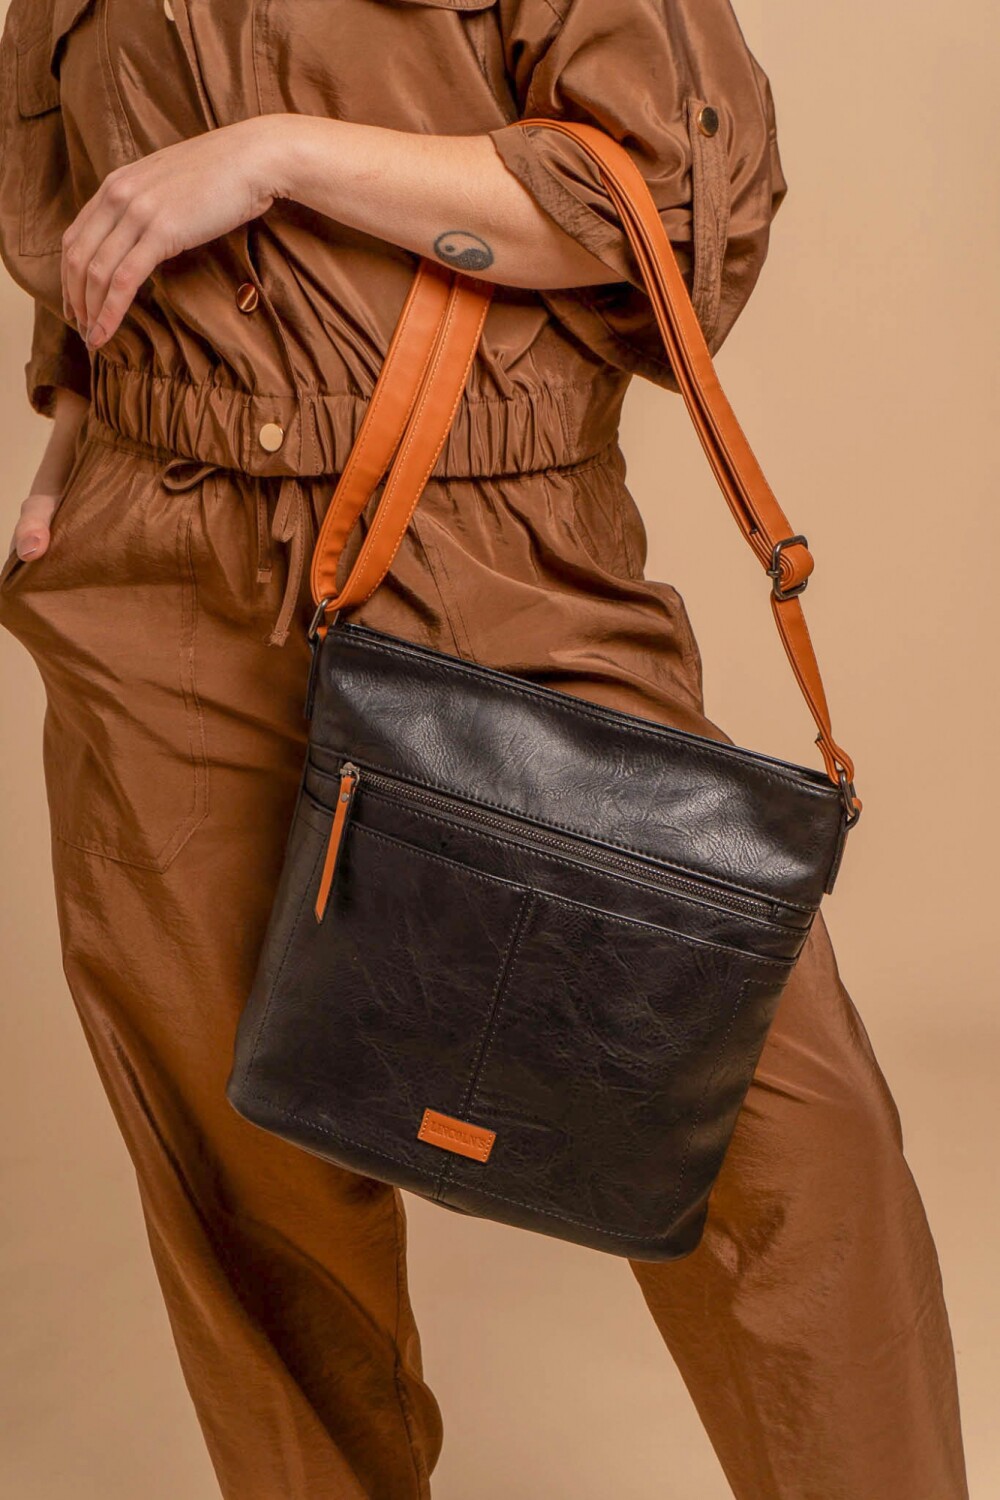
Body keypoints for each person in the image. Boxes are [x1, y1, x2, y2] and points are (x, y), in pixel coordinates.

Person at [0, 1, 970, 1497]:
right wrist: (73, 436)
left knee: (772, 1145)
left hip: (485, 540)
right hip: (158, 569)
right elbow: (89, 182)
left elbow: (668, 208)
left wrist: (279, 155)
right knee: (252, 1197)